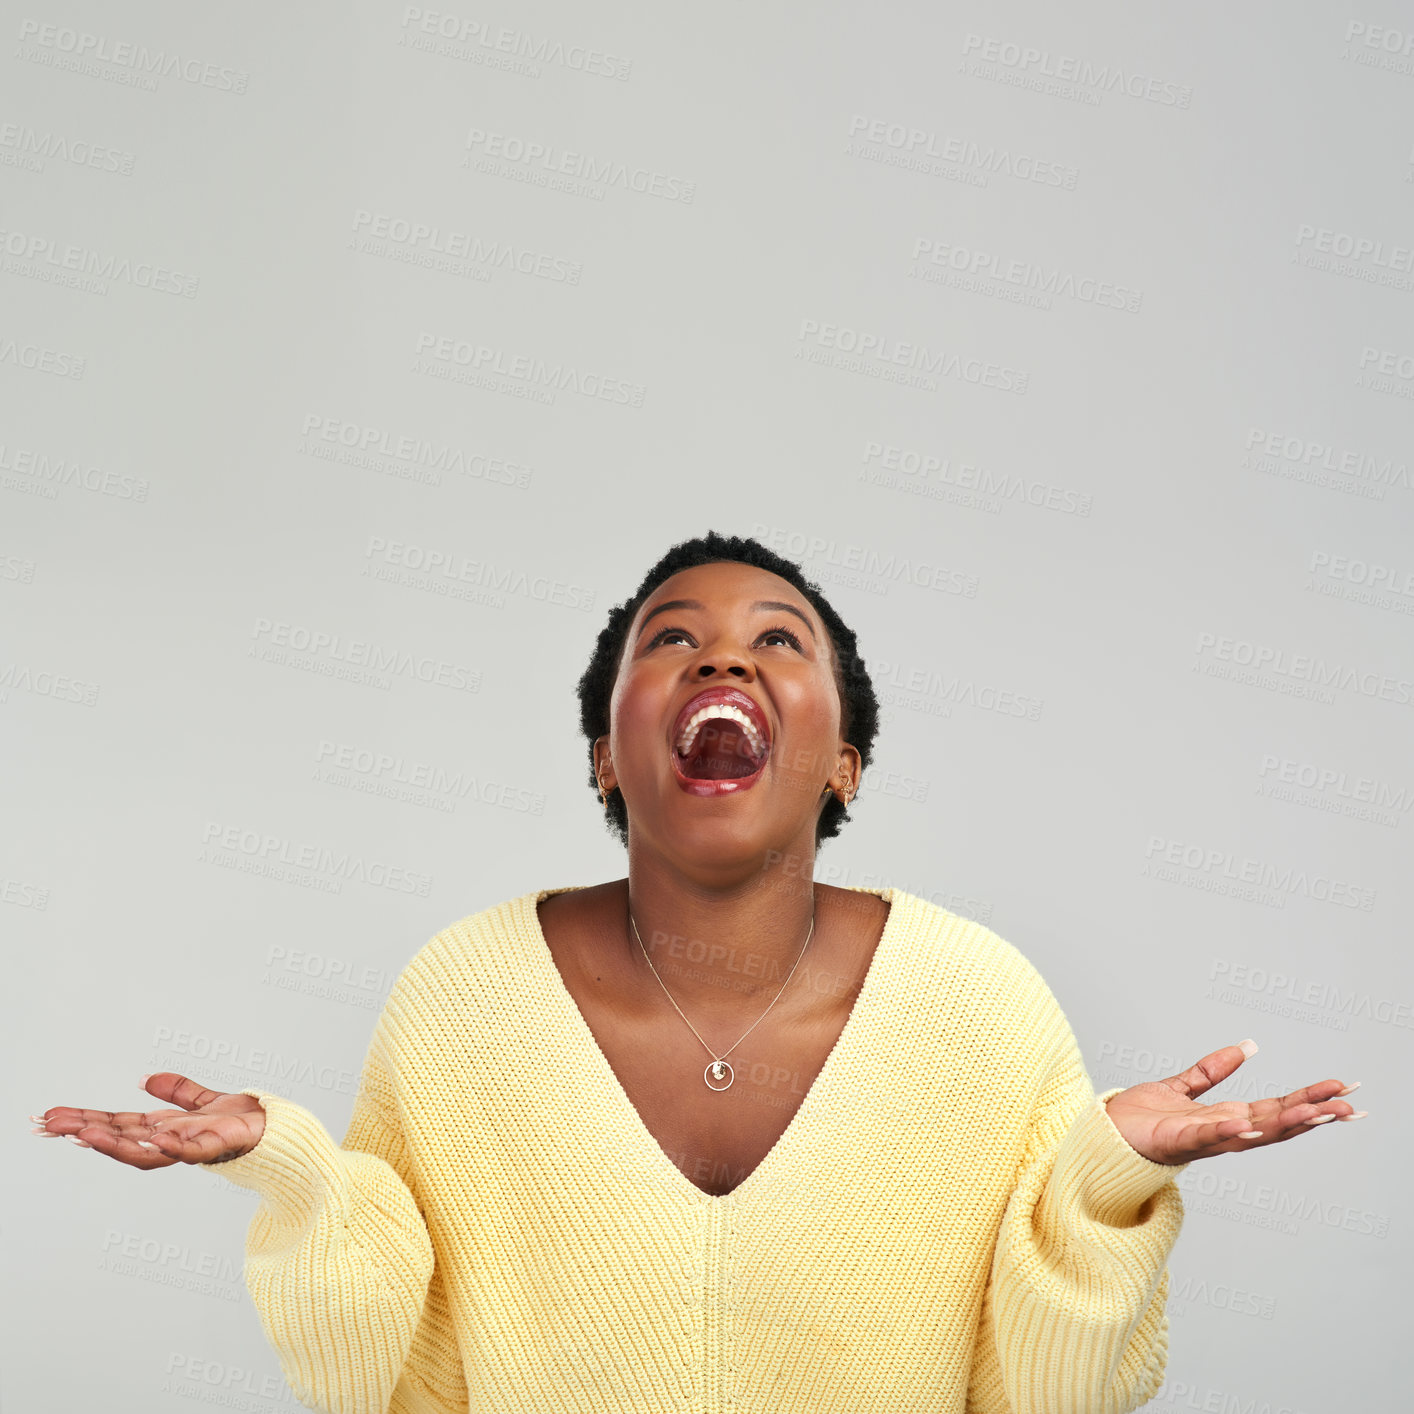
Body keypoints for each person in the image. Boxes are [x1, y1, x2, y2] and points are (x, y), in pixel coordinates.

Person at [34, 530, 1367, 1414]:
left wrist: (1099, 1181)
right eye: (669, 639)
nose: (723, 654)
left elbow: (1042, 1391)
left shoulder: (980, 999)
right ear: (606, 753)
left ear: (844, 760)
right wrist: (295, 1169)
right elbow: (397, 1372)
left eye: (778, 639)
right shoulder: (464, 990)